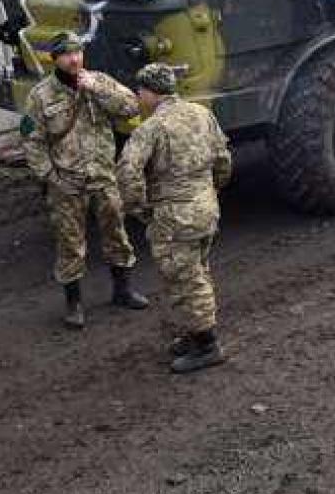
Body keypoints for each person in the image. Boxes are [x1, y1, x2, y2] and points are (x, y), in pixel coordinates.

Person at [21, 31, 149, 328]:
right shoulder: (40, 96)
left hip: (103, 175)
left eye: (78, 52)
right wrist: (50, 176)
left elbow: (132, 107)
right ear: (56, 59)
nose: (74, 58)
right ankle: (74, 303)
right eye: (67, 54)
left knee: (116, 233)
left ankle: (123, 290)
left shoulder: (98, 81)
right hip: (66, 182)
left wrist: (96, 90)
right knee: (70, 243)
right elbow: (32, 141)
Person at [117, 64, 232, 373]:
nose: (139, 97)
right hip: (205, 208)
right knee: (197, 270)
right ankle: (196, 333)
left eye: (140, 91)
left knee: (186, 279)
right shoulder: (201, 114)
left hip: (174, 216)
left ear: (150, 92)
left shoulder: (151, 128)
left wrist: (138, 208)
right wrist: (210, 191)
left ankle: (208, 344)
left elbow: (128, 171)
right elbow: (223, 159)